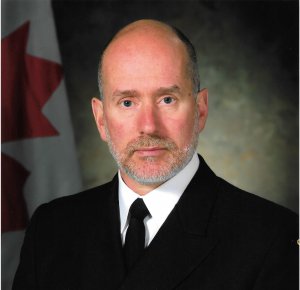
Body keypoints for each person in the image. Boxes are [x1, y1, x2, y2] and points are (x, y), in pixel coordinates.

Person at [13, 19, 298, 290]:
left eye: (167, 99)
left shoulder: (272, 238)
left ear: (200, 110)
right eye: (127, 102)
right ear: (101, 119)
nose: (148, 125)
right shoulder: (51, 230)